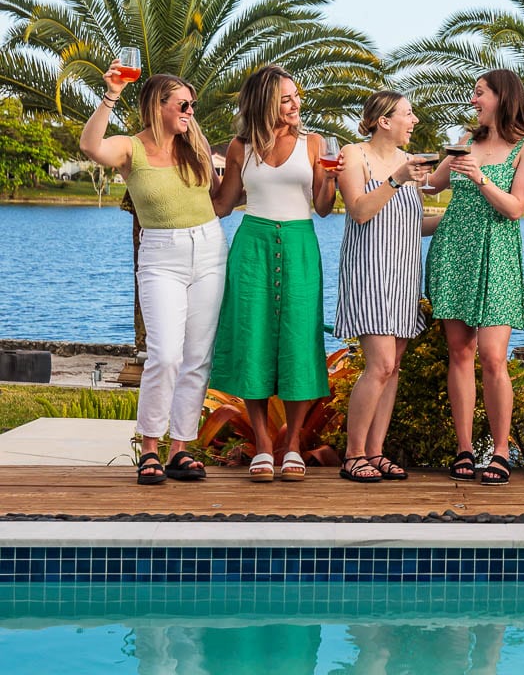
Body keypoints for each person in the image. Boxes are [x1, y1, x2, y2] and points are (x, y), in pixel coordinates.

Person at [79, 67, 225, 485]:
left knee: (197, 357)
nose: (190, 111)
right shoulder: (131, 149)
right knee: (165, 355)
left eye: (192, 105)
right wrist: (111, 95)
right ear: (158, 105)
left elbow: (220, 198)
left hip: (210, 249)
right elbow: (90, 146)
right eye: (183, 104)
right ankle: (149, 449)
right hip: (161, 255)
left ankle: (180, 449)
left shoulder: (195, 149)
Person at [210, 64, 339, 483]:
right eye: (286, 98)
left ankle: (294, 444)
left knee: (301, 340)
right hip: (253, 248)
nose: (296, 103)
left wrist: (331, 180)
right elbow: (223, 204)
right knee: (252, 339)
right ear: (265, 103)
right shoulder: (239, 147)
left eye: (296, 95)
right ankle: (264, 446)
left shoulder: (313, 143)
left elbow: (321, 207)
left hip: (300, 245)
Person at [424, 69, 524, 485]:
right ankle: (462, 449)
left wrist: (478, 178)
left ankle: (499, 450)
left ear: (502, 97)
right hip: (454, 252)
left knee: (493, 357)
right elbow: (431, 184)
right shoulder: (466, 143)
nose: (473, 100)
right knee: (459, 352)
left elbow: (514, 208)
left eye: (480, 93)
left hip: (496, 256)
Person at [333, 91, 434, 483]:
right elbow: (359, 211)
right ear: (384, 120)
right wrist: (397, 179)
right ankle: (352, 454)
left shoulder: (410, 164)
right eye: (408, 114)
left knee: (393, 370)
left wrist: (456, 219)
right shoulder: (354, 154)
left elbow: (410, 223)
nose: (415, 121)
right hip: (369, 272)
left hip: (405, 275)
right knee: (380, 365)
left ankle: (375, 452)